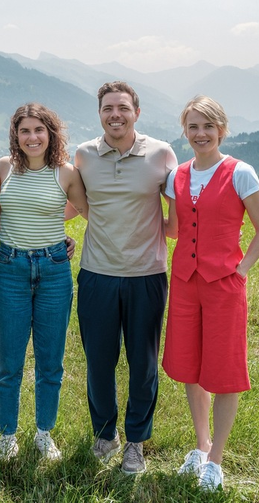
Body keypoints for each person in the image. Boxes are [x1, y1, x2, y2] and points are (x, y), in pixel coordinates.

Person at [162, 95, 259, 491]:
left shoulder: (241, 172)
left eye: (208, 126)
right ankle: (201, 445)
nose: (200, 133)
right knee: (190, 366)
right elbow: (173, 228)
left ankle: (217, 461)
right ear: (185, 131)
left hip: (224, 284)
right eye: (193, 126)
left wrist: (240, 272)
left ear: (221, 130)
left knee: (224, 372)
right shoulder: (179, 175)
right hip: (185, 284)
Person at [73, 81, 177, 474]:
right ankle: (105, 434)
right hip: (96, 275)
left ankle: (135, 441)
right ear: (99, 113)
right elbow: (74, 206)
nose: (115, 114)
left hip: (146, 276)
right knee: (99, 360)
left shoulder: (161, 154)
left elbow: (177, 215)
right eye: (107, 108)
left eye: (122, 107)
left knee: (143, 362)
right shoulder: (84, 156)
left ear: (136, 111)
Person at [0, 103, 88, 461]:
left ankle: (44, 433)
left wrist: (57, 234)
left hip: (54, 272)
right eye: (25, 130)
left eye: (39, 130)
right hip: (11, 269)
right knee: (9, 360)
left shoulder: (66, 173)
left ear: (51, 133)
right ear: (16, 135)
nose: (32, 137)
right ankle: (7, 436)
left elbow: (82, 208)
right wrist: (11, 240)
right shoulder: (3, 168)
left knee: (50, 360)